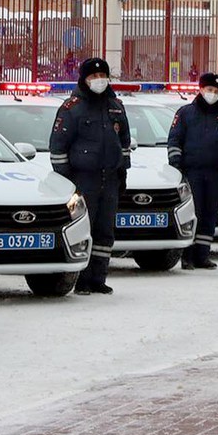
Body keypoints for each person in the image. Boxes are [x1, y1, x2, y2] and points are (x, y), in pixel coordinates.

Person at [49, 57, 131, 294]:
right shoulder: (72, 108)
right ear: (84, 80)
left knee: (105, 230)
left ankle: (98, 278)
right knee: (85, 229)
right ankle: (82, 280)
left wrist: (123, 170)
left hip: (110, 178)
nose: (99, 81)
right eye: (93, 77)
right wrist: (67, 182)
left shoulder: (115, 105)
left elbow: (123, 142)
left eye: (102, 76)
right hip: (84, 179)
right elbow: (58, 147)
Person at [167, 74, 218, 269]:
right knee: (194, 213)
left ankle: (202, 255)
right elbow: (174, 140)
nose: (213, 94)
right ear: (200, 89)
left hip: (215, 173)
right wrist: (176, 164)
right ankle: (188, 256)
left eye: (216, 91)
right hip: (192, 172)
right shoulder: (186, 113)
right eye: (209, 90)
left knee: (210, 213)